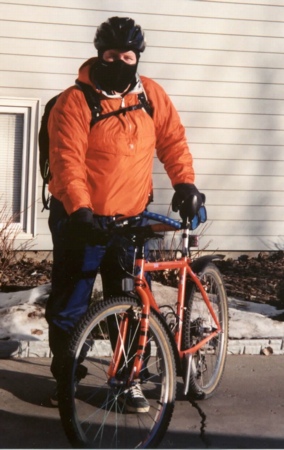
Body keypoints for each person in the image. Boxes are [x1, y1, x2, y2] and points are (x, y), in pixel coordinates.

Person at [45, 16, 203, 412]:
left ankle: (128, 378)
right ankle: (67, 377)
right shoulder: (74, 101)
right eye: (111, 55)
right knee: (70, 305)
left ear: (138, 58)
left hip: (129, 221)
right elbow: (67, 160)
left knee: (129, 302)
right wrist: (80, 209)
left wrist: (184, 183)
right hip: (81, 219)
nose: (118, 62)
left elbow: (172, 141)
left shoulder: (150, 95)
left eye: (127, 55)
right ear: (100, 55)